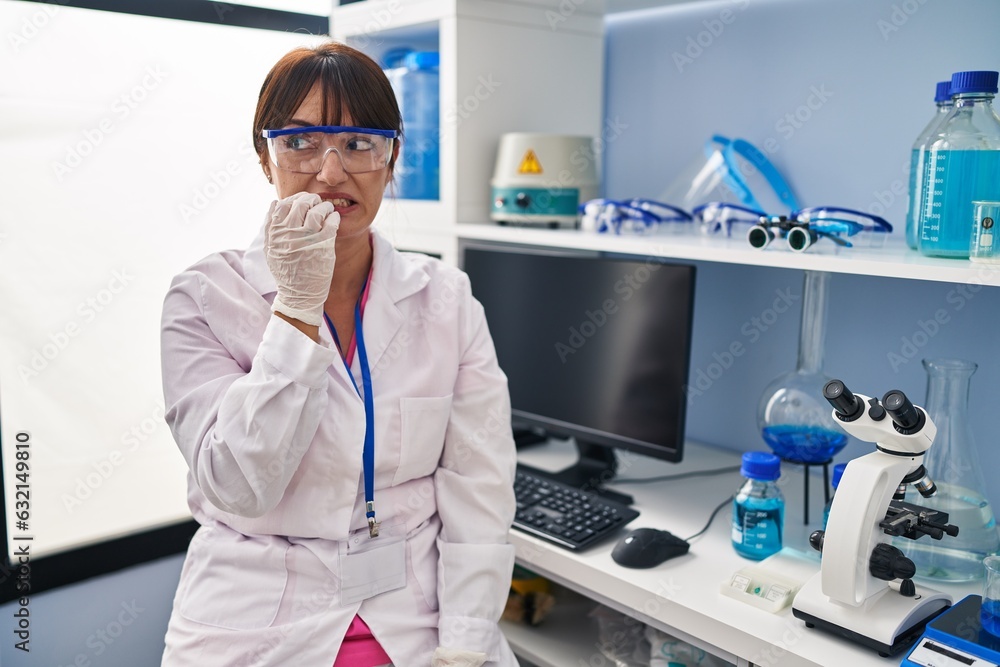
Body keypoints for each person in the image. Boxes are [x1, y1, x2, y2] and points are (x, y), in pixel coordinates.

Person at [159, 41, 518, 667]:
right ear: (265, 160)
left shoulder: (446, 299)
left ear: (391, 159)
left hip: (415, 613)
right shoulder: (203, 297)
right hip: (258, 616)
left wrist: (464, 646)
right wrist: (295, 310)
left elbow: (478, 491)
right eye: (299, 142)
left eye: (359, 145)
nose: (330, 172)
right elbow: (237, 485)